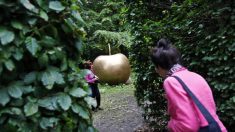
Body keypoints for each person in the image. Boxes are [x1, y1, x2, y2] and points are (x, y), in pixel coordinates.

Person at [150, 38, 227, 132]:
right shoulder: (195, 76)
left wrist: (171, 125)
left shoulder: (171, 81)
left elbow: (188, 125)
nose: (156, 70)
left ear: (160, 66)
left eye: (155, 66)